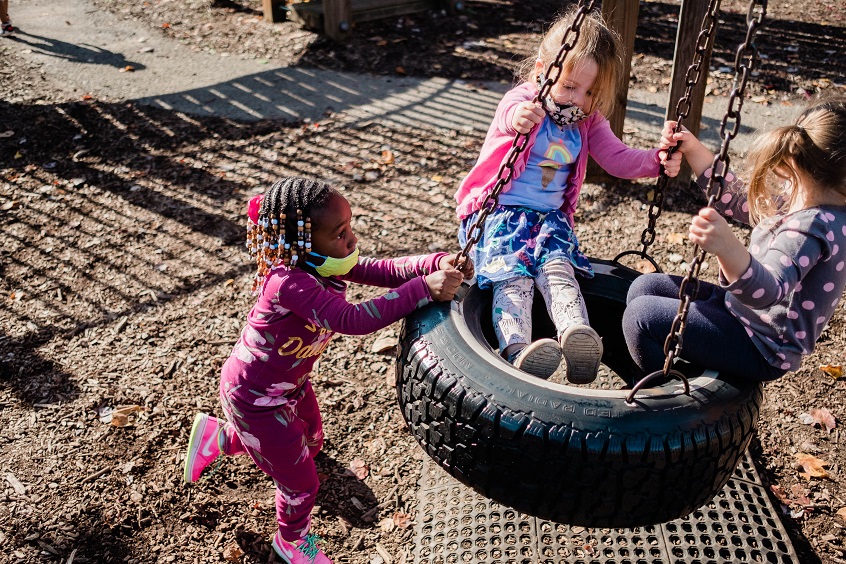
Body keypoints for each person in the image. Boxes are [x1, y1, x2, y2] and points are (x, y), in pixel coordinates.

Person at [182, 177, 472, 564]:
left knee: (312, 444)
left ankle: (219, 439)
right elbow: (349, 319)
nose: (351, 240)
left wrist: (433, 264)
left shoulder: (326, 263)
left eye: (350, 226)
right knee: (301, 482)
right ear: (303, 244)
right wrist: (421, 289)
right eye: (340, 233)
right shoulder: (289, 283)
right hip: (255, 398)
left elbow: (383, 270)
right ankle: (291, 542)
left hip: (291, 386)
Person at [454, 6, 681, 383]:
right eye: (571, 87)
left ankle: (578, 338)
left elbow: (618, 159)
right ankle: (516, 351)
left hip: (550, 220)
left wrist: (656, 161)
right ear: (544, 70)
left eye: (591, 92)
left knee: (560, 274)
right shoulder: (525, 99)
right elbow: (509, 113)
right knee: (515, 280)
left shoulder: (587, 120)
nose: (579, 100)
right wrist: (518, 120)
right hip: (500, 214)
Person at [623, 97, 846, 384]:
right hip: (740, 314)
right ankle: (666, 374)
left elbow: (767, 291)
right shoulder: (805, 202)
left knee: (641, 318)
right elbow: (737, 197)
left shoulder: (813, 226)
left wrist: (728, 249)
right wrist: (692, 148)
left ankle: (667, 407)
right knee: (644, 286)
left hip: (761, 347)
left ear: (793, 162)